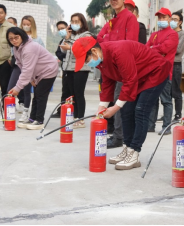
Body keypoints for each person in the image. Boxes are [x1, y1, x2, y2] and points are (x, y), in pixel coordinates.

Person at [71, 36, 171, 170]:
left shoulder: (118, 52)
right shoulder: (102, 61)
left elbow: (129, 81)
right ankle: (127, 147)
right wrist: (102, 108)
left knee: (140, 110)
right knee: (126, 110)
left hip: (155, 72)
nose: (87, 63)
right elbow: (107, 84)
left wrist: (115, 107)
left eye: (86, 60)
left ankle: (134, 152)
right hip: (138, 76)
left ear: (94, 51)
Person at [97, 0, 140, 149]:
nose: (113, 1)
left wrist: (109, 41)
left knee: (121, 103)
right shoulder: (111, 21)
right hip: (110, 65)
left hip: (124, 67)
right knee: (113, 98)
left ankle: (119, 138)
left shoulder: (130, 18)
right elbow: (99, 39)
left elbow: (130, 45)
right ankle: (119, 136)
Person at [7, 27, 58, 130]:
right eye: (11, 39)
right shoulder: (16, 48)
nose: (14, 40)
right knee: (36, 95)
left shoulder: (29, 48)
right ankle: (32, 119)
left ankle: (39, 121)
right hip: (38, 73)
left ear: (22, 36)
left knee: (40, 95)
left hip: (48, 70)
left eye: (16, 37)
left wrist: (17, 88)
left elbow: (27, 69)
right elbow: (21, 65)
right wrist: (31, 79)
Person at [146, 8, 179, 135]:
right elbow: (145, 48)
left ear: (169, 19)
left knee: (166, 100)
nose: (161, 20)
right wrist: (155, 48)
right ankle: (150, 125)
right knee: (153, 100)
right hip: (152, 71)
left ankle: (167, 127)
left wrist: (153, 48)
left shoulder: (172, 34)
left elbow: (165, 48)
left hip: (165, 71)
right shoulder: (154, 34)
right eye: (159, 18)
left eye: (164, 17)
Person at [60, 13, 93, 129]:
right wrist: (67, 38)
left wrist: (70, 46)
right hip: (69, 68)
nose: (74, 24)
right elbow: (64, 52)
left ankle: (81, 119)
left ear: (82, 22)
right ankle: (74, 117)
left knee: (79, 93)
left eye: (77, 21)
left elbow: (82, 50)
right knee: (72, 94)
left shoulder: (86, 35)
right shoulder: (71, 35)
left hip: (81, 68)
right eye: (72, 21)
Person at [16, 15, 45, 124]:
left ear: (32, 25)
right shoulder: (18, 37)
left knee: (30, 91)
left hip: (34, 69)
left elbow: (43, 52)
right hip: (21, 66)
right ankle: (14, 109)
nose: (26, 26)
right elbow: (13, 50)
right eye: (24, 24)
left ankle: (27, 113)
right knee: (19, 88)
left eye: (28, 24)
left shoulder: (37, 39)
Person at [170, 12, 184, 121]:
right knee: (167, 91)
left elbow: (178, 49)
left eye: (175, 19)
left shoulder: (183, 34)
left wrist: (165, 48)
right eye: (171, 19)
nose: (173, 21)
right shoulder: (168, 33)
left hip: (175, 65)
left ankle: (178, 114)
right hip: (166, 64)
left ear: (180, 22)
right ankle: (168, 114)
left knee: (176, 90)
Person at [52, 21, 71, 118]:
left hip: (74, 69)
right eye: (59, 29)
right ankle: (61, 111)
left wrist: (66, 55)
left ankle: (74, 113)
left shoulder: (72, 39)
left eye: (62, 28)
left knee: (74, 92)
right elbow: (58, 52)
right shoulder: (62, 41)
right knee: (65, 91)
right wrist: (64, 56)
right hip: (65, 68)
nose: (61, 31)